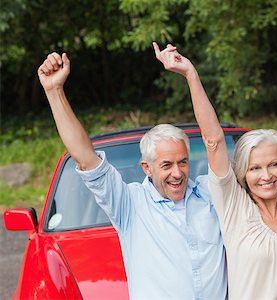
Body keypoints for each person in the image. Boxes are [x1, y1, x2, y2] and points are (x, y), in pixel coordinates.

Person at [153, 30, 277, 299]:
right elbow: (213, 139)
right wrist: (191, 74)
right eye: (255, 168)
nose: (266, 176)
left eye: (273, 165)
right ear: (243, 173)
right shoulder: (233, 206)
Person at [37, 53, 230, 299]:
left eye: (183, 162)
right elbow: (85, 159)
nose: (177, 172)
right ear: (147, 168)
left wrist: (191, 75)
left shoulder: (209, 193)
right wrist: (55, 92)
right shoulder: (129, 204)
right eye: (166, 165)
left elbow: (216, 142)